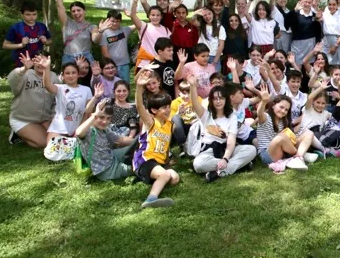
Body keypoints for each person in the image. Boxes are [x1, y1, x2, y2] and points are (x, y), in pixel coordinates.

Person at [188, 79, 256, 181]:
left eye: (221, 98)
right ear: (211, 100)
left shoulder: (232, 117)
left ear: (226, 100)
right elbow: (194, 103)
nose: (218, 101)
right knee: (198, 164)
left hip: (227, 150)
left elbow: (231, 141)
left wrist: (225, 159)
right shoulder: (206, 115)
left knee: (251, 150)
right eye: (215, 99)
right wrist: (193, 86)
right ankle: (238, 166)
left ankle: (218, 173)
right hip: (209, 151)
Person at [133, 69, 179, 208]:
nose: (167, 110)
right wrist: (139, 87)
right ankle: (151, 199)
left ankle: (151, 178)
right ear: (154, 110)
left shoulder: (170, 125)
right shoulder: (150, 121)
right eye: (163, 108)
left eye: (168, 107)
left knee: (175, 178)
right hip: (145, 159)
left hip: (160, 162)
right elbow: (139, 106)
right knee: (165, 175)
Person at [255, 85, 315, 171]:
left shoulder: (283, 121)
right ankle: (300, 156)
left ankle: (298, 157)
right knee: (281, 137)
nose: (283, 111)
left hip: (283, 150)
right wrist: (264, 101)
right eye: (281, 107)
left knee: (309, 133)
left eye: (286, 110)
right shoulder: (266, 117)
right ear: (273, 105)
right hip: (268, 154)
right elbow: (259, 113)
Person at [75, 99, 138, 181]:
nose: (105, 121)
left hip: (112, 156)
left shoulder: (105, 129)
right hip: (107, 170)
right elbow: (79, 133)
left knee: (136, 149)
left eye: (108, 118)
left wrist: (140, 140)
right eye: (101, 117)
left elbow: (121, 140)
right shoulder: (88, 130)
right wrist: (95, 115)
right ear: (94, 116)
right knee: (136, 167)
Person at [39, 55, 94, 146]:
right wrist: (46, 68)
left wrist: (81, 127)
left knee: (77, 148)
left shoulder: (86, 89)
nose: (71, 75)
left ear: (78, 74)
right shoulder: (60, 88)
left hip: (78, 126)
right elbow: (47, 85)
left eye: (73, 73)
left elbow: (87, 112)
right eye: (67, 73)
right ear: (63, 76)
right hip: (59, 127)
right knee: (51, 148)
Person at [8, 51, 58, 147]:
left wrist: (52, 117)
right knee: (43, 142)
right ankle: (16, 134)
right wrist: (23, 69)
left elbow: (57, 99)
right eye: (36, 60)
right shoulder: (26, 74)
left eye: (42, 60)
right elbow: (12, 79)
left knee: (55, 139)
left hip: (44, 119)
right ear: (32, 62)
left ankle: (34, 131)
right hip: (23, 119)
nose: (40, 63)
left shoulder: (53, 77)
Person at [126, 0, 172, 71]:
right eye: (153, 15)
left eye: (158, 15)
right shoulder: (144, 26)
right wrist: (135, 1)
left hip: (160, 63)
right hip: (145, 63)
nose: (155, 17)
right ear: (149, 16)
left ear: (161, 16)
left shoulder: (166, 30)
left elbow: (168, 48)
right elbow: (133, 15)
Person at [54, 0, 96, 65]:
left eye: (78, 10)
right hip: (68, 58)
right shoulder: (67, 22)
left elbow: (96, 39)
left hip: (85, 57)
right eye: (73, 11)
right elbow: (59, 5)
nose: (76, 13)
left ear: (84, 11)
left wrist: (100, 32)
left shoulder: (91, 27)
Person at [3, 1, 52, 67]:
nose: (31, 17)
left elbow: (50, 41)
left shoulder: (42, 26)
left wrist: (46, 42)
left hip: (38, 61)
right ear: (22, 14)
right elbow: (5, 45)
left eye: (34, 14)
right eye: (28, 14)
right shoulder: (16, 27)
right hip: (22, 62)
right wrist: (21, 45)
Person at [285, 0, 322, 67]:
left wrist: (317, 45)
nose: (307, 4)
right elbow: (286, 24)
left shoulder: (314, 15)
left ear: (312, 4)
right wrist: (294, 10)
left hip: (310, 45)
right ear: (301, 2)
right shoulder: (295, 14)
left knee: (309, 67)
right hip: (297, 45)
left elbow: (318, 32)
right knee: (297, 66)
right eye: (305, 2)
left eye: (309, 2)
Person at [99, 10, 134, 82]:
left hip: (124, 65)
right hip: (111, 67)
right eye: (112, 21)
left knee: (125, 87)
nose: (115, 23)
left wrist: (131, 16)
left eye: (117, 21)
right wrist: (112, 67)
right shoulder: (104, 33)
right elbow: (104, 52)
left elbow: (138, 24)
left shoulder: (124, 30)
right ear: (108, 20)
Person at [192, 7, 226, 72]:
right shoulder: (201, 25)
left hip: (214, 56)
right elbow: (192, 20)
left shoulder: (220, 27)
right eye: (205, 15)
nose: (207, 16)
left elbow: (221, 46)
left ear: (213, 14)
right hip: (201, 55)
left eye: (209, 14)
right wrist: (196, 13)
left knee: (215, 78)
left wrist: (215, 62)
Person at [321, 0, 340, 67]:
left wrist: (335, 46)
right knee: (325, 64)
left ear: (337, 5)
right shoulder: (325, 15)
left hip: (337, 42)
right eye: (329, 4)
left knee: (336, 66)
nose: (331, 6)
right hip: (326, 42)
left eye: (334, 4)